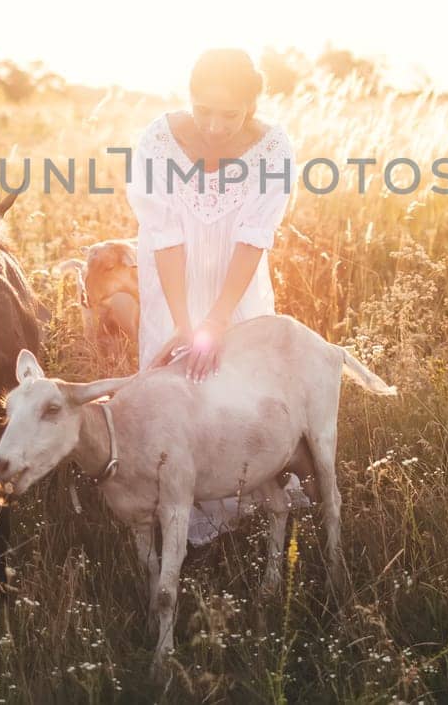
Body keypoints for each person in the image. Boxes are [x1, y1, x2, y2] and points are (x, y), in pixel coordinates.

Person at [124, 48, 305, 546]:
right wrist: (185, 324)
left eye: (230, 114)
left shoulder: (273, 149)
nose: (215, 125)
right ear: (189, 98)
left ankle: (240, 495)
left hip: (237, 284)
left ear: (252, 106)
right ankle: (175, 500)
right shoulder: (158, 140)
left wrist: (219, 321)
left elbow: (253, 237)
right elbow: (163, 236)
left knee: (235, 384)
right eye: (204, 110)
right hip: (173, 282)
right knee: (171, 384)